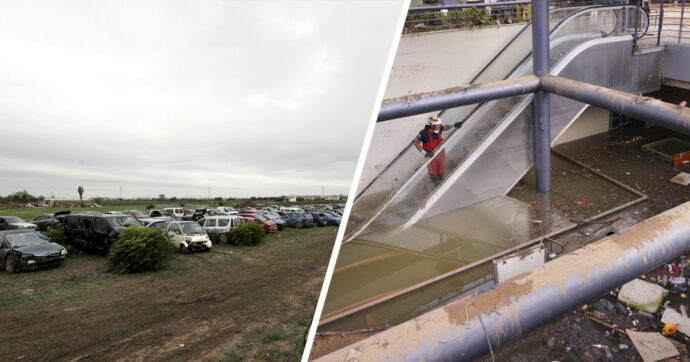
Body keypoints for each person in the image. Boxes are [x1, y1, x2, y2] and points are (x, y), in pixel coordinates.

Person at [414, 115, 463, 186]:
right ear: (431, 126)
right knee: (433, 172)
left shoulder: (438, 129)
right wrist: (425, 153)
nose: (440, 126)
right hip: (430, 156)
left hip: (440, 153)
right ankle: (435, 183)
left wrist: (454, 124)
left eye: (439, 124)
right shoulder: (423, 133)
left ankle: (441, 179)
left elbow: (446, 127)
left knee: (441, 168)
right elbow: (416, 143)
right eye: (438, 125)